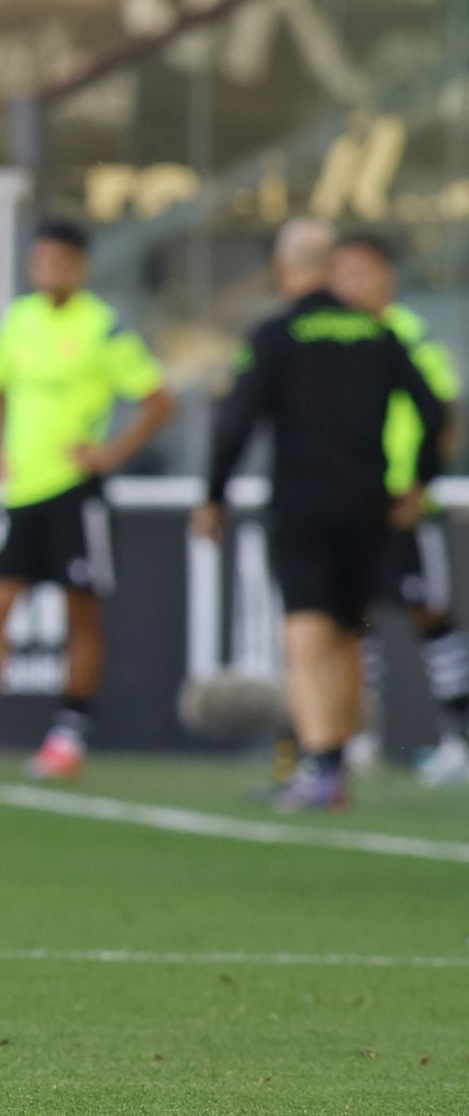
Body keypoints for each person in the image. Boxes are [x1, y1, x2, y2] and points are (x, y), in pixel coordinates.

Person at [195, 219, 446, 812]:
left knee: (305, 636)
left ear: (285, 268)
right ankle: (338, 763)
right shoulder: (377, 331)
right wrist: (419, 483)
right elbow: (435, 411)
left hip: (303, 504)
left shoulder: (277, 332)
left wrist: (212, 496)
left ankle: (320, 765)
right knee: (346, 635)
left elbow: (236, 420)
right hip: (369, 507)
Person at [0, 220, 173, 780]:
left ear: (80, 267)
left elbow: (158, 399)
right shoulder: (18, 320)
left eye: (60, 261)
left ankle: (70, 732)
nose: (49, 270)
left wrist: (112, 453)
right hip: (21, 491)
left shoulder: (103, 327)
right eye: (41, 260)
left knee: (82, 613)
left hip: (76, 492)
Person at [328, 233, 468, 785]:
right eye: (345, 273)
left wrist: (418, 485)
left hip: (403, 504)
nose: (354, 284)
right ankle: (353, 733)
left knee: (428, 612)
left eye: (364, 272)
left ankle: (458, 736)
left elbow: (444, 416)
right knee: (350, 619)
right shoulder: (331, 340)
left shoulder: (409, 336)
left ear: (387, 277)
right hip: (350, 503)